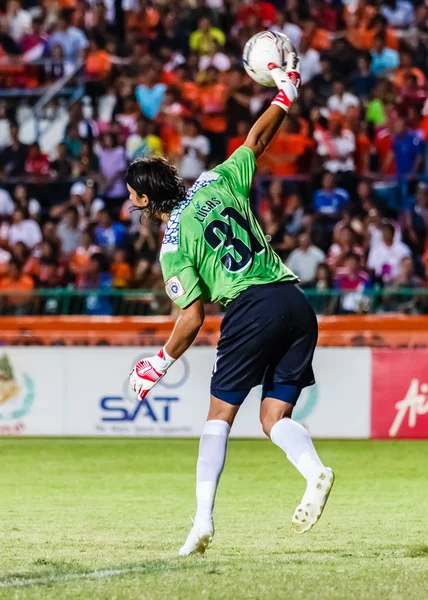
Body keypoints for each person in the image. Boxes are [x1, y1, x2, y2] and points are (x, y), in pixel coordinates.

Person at [126, 55, 334, 555]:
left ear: (151, 202)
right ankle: (314, 472)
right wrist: (285, 93)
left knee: (218, 419)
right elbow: (257, 140)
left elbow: (192, 317)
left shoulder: (173, 241)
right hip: (295, 301)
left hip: (251, 308)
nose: (132, 206)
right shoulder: (215, 180)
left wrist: (159, 362)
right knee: (272, 420)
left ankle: (202, 523)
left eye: (134, 198)